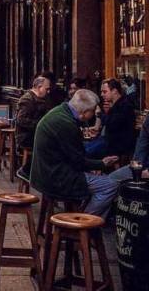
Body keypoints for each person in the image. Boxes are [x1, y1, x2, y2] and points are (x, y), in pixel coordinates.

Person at [30, 89, 119, 219]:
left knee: (99, 180)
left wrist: (92, 167)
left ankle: (80, 216)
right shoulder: (66, 124)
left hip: (45, 173)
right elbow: (78, 161)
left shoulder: (60, 111)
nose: (95, 113)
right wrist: (101, 164)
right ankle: (83, 223)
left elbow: (74, 156)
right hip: (56, 178)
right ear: (84, 112)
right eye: (93, 110)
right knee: (110, 185)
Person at [85, 79, 136, 159]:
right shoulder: (115, 105)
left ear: (114, 91)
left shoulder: (125, 106)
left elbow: (112, 124)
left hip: (116, 145)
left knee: (85, 153)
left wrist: (99, 114)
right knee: (82, 147)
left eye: (104, 92)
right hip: (107, 140)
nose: (101, 94)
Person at [15, 75, 51, 179]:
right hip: (26, 136)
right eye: (47, 89)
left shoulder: (42, 98)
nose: (48, 92)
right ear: (39, 87)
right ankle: (26, 170)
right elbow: (21, 120)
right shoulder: (27, 99)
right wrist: (40, 125)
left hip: (35, 134)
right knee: (48, 144)